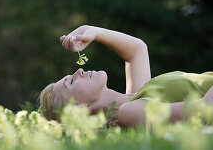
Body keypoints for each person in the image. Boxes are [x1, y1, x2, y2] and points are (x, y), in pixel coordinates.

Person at [39, 25, 213, 127]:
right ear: (79, 109)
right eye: (70, 82)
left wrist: (89, 30)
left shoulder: (135, 97)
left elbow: (137, 50)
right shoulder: (129, 113)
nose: (79, 71)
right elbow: (206, 109)